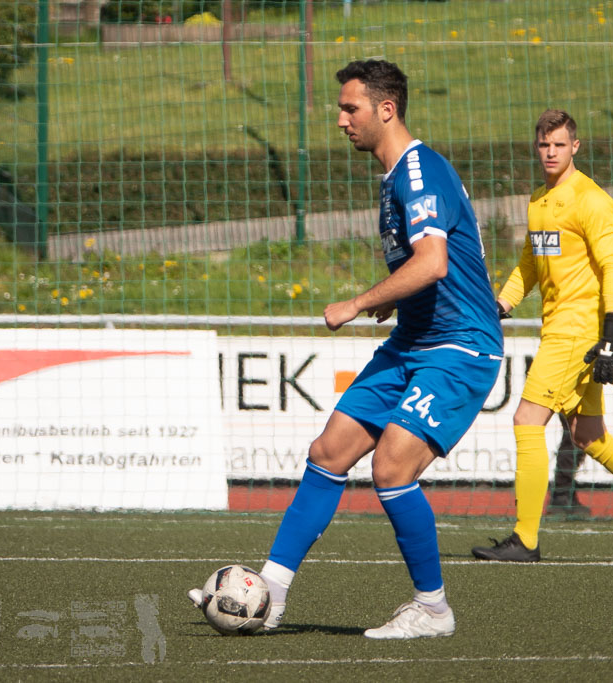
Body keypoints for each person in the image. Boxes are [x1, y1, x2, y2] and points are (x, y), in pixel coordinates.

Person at [189, 59, 503, 639]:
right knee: (329, 451)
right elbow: (430, 268)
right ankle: (271, 594)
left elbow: (433, 263)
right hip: (414, 341)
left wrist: (357, 303)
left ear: (386, 109)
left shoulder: (418, 172)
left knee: (391, 467)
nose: (341, 120)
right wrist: (395, 298)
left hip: (459, 348)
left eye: (349, 108)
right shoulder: (395, 178)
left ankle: (433, 610)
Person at [472, 109, 613, 563]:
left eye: (559, 144)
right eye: (544, 144)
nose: (551, 152)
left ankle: (526, 539)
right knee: (589, 436)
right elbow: (529, 266)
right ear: (536, 146)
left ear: (575, 147)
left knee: (526, 420)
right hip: (558, 328)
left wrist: (611, 334)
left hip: (578, 332)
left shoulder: (592, 200)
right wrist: (499, 306)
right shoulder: (538, 200)